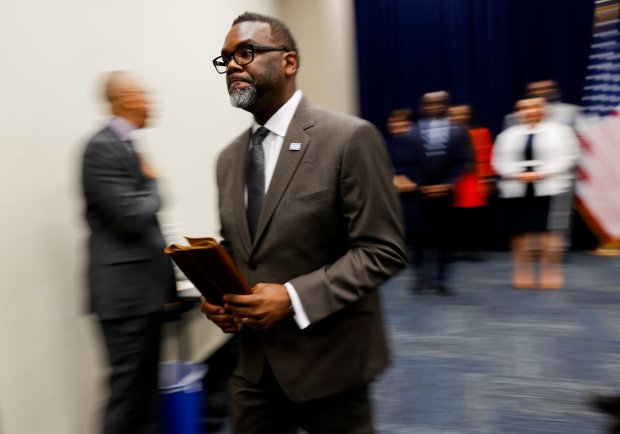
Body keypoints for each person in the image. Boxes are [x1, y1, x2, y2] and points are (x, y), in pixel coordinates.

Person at [200, 12, 406, 434]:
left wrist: (293, 298)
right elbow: (240, 248)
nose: (233, 65)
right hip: (254, 369)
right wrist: (219, 296)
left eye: (247, 52)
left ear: (289, 62)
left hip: (331, 365)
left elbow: (382, 251)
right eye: (226, 59)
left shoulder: (349, 139)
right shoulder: (227, 160)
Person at [81, 71, 176, 434]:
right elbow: (131, 218)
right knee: (128, 398)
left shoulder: (126, 145)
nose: (151, 102)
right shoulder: (101, 147)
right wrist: (153, 183)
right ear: (123, 100)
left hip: (143, 297)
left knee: (145, 397)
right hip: (125, 300)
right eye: (143, 95)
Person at [492, 96, 579, 289]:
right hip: (517, 189)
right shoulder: (507, 135)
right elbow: (498, 161)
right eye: (524, 107)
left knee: (549, 234)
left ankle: (551, 272)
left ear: (544, 109)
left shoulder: (561, 131)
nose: (530, 111)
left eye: (535, 107)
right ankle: (522, 271)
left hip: (550, 187)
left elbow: (570, 157)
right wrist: (516, 174)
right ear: (518, 112)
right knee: (520, 233)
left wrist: (543, 173)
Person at [394, 91, 469, 295]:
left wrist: (448, 184)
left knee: (445, 240)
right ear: (422, 107)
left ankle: (442, 280)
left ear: (446, 105)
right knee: (418, 238)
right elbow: (407, 163)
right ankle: (419, 278)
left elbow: (462, 161)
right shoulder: (411, 132)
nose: (434, 107)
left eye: (438, 103)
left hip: (446, 195)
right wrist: (420, 185)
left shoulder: (459, 131)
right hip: (419, 196)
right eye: (429, 104)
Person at [448, 104, 495, 259]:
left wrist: (487, 181)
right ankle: (457, 249)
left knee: (474, 217)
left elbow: (487, 157)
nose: (457, 117)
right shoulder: (447, 135)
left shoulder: (480, 133)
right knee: (454, 217)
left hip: (473, 179)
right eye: (454, 114)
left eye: (461, 114)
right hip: (453, 180)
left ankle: (474, 249)